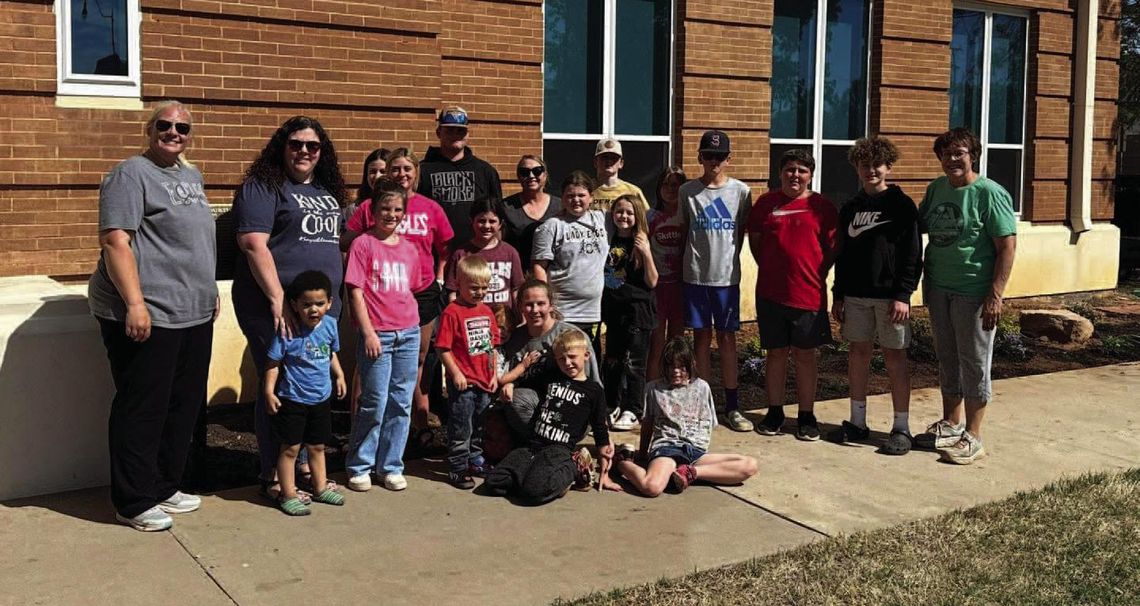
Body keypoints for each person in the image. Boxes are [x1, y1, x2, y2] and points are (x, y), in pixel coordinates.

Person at [89, 100, 218, 532]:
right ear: (150, 129)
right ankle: (133, 499)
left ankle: (164, 484)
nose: (174, 133)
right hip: (149, 312)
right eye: (165, 125)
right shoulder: (130, 174)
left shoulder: (191, 174)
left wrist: (208, 290)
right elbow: (115, 242)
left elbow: (195, 239)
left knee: (182, 405)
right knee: (143, 406)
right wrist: (136, 304)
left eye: (183, 127)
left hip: (191, 310)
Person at [232, 115, 347, 498]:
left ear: (321, 152)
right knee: (281, 387)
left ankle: (301, 471)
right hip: (275, 308)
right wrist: (278, 300)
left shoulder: (327, 190)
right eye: (295, 143)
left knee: (310, 389)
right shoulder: (263, 186)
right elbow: (253, 243)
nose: (303, 151)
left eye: (312, 146)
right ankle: (273, 475)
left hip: (319, 310)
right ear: (282, 146)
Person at [914, 128, 1017, 465]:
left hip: (974, 292)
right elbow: (917, 226)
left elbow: (1007, 247)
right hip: (939, 288)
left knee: (974, 362)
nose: (952, 159)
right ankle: (951, 423)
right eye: (946, 154)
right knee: (947, 357)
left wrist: (995, 296)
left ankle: (974, 435)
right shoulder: (937, 189)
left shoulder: (990, 193)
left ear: (973, 155)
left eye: (959, 152)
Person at [342, 148, 453, 431]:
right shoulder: (371, 206)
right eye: (395, 169)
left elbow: (446, 247)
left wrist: (439, 279)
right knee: (369, 357)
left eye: (407, 169)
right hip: (379, 291)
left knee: (416, 358)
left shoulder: (430, 207)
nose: (401, 174)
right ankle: (360, 424)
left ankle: (416, 425)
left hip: (421, 289)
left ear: (417, 172)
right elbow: (347, 240)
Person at [829, 136, 923, 455]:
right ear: (857, 167)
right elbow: (842, 254)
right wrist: (838, 295)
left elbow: (912, 254)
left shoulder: (901, 205)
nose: (871, 170)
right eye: (864, 164)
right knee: (857, 354)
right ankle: (857, 422)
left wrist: (903, 294)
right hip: (855, 296)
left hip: (890, 299)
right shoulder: (851, 207)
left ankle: (901, 428)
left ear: (888, 167)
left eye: (876, 165)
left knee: (895, 358)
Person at [747, 149, 838, 441]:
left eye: (801, 170)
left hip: (808, 294)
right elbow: (756, 245)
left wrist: (814, 272)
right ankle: (775, 412)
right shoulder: (765, 204)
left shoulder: (822, 207)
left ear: (810, 175)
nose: (795, 175)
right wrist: (776, 269)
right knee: (775, 354)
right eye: (790, 169)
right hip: (771, 293)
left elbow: (833, 249)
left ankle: (806, 416)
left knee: (805, 356)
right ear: (780, 172)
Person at [343, 182, 422, 492]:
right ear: (373, 211)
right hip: (378, 335)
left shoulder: (409, 248)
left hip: (408, 331)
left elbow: (411, 289)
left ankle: (390, 465)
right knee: (374, 401)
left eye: (397, 209)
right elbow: (355, 292)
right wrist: (368, 333)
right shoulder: (363, 244)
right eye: (385, 209)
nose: (391, 214)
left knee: (401, 401)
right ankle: (360, 464)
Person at [612, 337, 758, 496]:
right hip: (667, 448)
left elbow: (707, 424)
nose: (676, 371)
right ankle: (622, 462)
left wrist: (699, 454)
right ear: (664, 367)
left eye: (681, 367)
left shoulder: (702, 387)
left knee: (749, 465)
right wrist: (643, 454)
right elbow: (648, 423)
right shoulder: (654, 388)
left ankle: (691, 472)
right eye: (671, 366)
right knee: (652, 487)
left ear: (691, 365)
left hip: (695, 452)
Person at [484, 330, 617, 503]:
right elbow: (526, 379)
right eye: (562, 359)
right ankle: (533, 479)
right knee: (494, 482)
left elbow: (600, 428)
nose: (567, 363)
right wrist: (511, 384)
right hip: (532, 445)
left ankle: (574, 466)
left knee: (534, 492)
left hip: (559, 449)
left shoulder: (594, 391)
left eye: (572, 357)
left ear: (586, 355)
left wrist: (604, 474)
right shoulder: (552, 377)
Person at [679, 130, 752, 432]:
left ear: (728, 159)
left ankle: (732, 406)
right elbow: (685, 232)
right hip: (695, 276)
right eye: (708, 155)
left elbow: (743, 232)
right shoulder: (687, 192)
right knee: (700, 339)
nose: (713, 161)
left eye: (719, 156)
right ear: (700, 157)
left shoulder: (741, 192)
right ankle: (704, 405)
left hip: (726, 279)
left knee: (727, 340)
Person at [264, 271, 347, 515]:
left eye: (320, 304)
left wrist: (340, 375)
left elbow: (331, 353)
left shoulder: (331, 325)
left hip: (321, 398)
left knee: (318, 446)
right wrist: (269, 391)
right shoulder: (287, 330)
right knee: (290, 449)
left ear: (329, 303)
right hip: (293, 399)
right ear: (294, 305)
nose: (314, 310)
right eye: (307, 304)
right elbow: (273, 363)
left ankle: (320, 487)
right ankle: (287, 494)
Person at [497, 279, 602, 441]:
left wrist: (602, 438)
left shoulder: (571, 336)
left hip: (570, 407)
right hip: (534, 406)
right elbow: (505, 372)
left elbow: (594, 385)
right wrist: (510, 383)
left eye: (541, 304)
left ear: (551, 305)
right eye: (529, 304)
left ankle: (555, 445)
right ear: (520, 307)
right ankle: (537, 445)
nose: (534, 310)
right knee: (515, 399)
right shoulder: (514, 339)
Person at [436, 256, 501, 489]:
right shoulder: (452, 312)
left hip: (484, 381)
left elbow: (492, 347)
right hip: (464, 382)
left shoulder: (486, 311)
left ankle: (475, 458)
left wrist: (493, 375)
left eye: (484, 287)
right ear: (459, 284)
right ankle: (458, 466)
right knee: (461, 425)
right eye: (474, 287)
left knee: (479, 424)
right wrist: (456, 374)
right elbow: (443, 348)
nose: (479, 292)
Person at [532, 171, 609, 358]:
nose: (576, 200)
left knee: (589, 361)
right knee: (562, 358)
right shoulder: (551, 226)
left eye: (581, 195)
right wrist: (547, 305)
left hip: (593, 311)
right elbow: (539, 267)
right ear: (563, 198)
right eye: (570, 195)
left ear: (591, 197)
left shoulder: (604, 220)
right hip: (563, 310)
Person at [602, 194, 658, 431]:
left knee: (634, 363)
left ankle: (633, 409)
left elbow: (653, 281)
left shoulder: (641, 242)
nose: (623, 216)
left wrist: (645, 252)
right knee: (612, 360)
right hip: (614, 311)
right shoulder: (608, 239)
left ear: (637, 216)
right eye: (619, 211)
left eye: (629, 213)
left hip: (638, 312)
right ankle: (612, 404)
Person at [416, 106, 503, 248]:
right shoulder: (422, 170)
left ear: (468, 134)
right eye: (449, 130)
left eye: (460, 130)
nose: (455, 134)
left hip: (476, 255)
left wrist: (497, 251)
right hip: (434, 253)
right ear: (438, 132)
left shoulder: (485, 171)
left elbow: (498, 216)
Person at [445, 198, 525, 308]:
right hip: (472, 319)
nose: (487, 226)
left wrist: (521, 319)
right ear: (472, 221)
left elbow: (517, 290)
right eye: (481, 221)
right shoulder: (461, 254)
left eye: (492, 221)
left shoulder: (510, 252)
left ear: (500, 224)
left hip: (504, 320)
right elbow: (452, 292)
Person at [647, 166, 688, 382]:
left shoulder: (687, 216)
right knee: (656, 345)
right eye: (666, 184)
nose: (671, 189)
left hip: (681, 287)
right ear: (658, 188)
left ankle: (676, 388)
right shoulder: (650, 217)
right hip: (657, 288)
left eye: (676, 184)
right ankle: (651, 393)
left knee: (677, 343)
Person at [502, 155, 562, 269]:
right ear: (519, 176)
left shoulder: (560, 206)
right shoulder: (506, 207)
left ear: (545, 175)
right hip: (518, 273)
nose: (531, 176)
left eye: (537, 171)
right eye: (524, 172)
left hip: (554, 276)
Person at [591, 137, 649, 213]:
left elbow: (647, 219)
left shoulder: (633, 192)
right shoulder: (585, 189)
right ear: (595, 162)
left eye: (613, 158)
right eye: (604, 157)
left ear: (621, 163)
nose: (608, 161)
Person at [347, 147, 390, 222]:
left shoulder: (405, 204)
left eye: (383, 171)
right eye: (372, 172)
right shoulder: (355, 209)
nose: (377, 176)